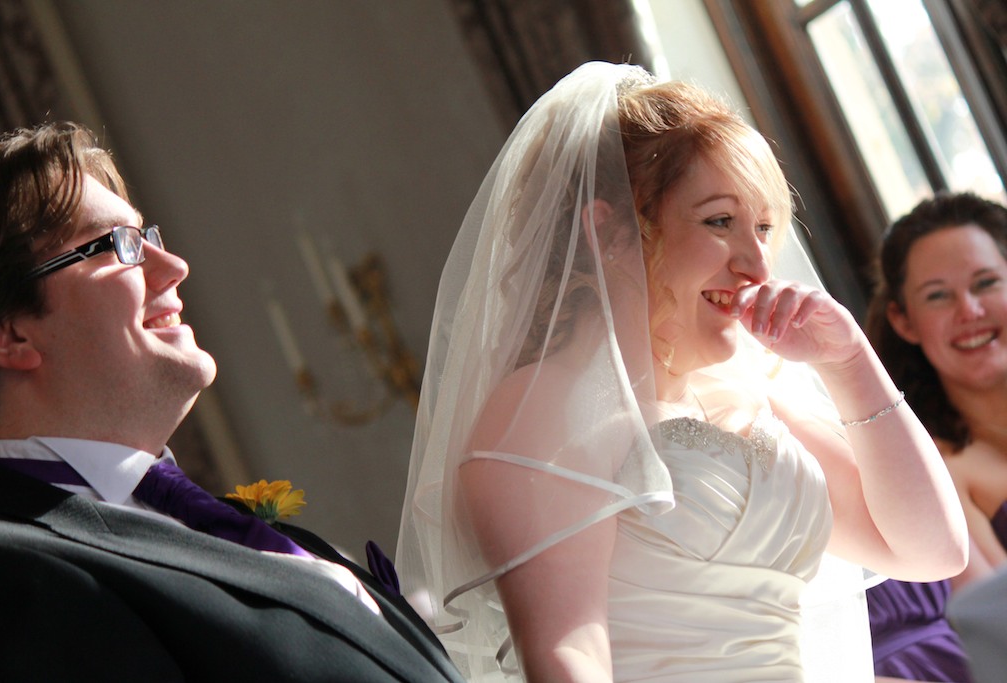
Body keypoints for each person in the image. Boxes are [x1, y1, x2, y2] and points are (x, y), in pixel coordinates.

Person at [394, 61, 967, 682]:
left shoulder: (752, 395)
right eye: (719, 221)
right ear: (608, 231)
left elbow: (931, 549)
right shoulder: (545, 408)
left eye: (765, 227)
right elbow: (568, 657)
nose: (755, 262)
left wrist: (851, 362)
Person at [0, 121, 464, 683]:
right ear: (10, 333)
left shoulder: (221, 523)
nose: (174, 267)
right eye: (117, 245)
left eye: (148, 238)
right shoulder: (8, 572)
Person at [863, 191, 1007, 682]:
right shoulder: (936, 467)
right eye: (938, 295)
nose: (969, 311)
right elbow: (996, 623)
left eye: (986, 283)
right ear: (904, 320)